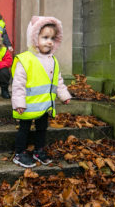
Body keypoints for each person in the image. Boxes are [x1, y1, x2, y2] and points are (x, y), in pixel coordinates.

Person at [11, 16, 71, 168]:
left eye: (52, 38)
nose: (49, 41)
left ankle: (39, 150)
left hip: (44, 105)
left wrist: (63, 95)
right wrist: (19, 102)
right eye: (45, 37)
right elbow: (18, 84)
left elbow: (58, 80)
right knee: (24, 129)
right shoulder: (26, 59)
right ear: (33, 38)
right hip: (27, 105)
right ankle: (19, 153)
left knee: (42, 129)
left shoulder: (53, 60)